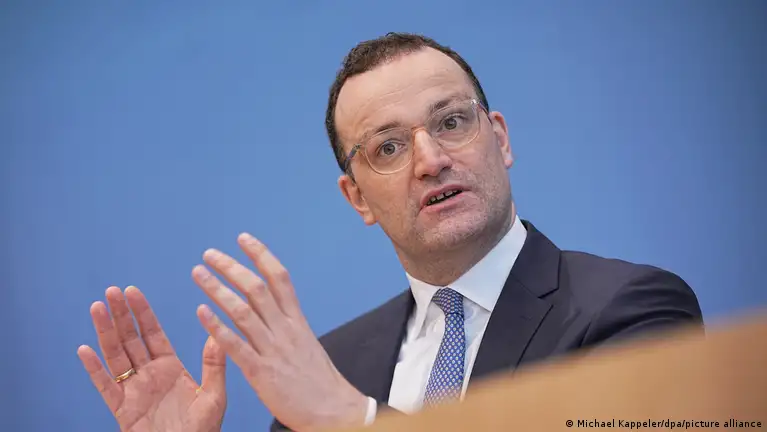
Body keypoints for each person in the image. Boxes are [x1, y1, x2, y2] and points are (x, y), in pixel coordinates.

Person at [78, 32, 704, 432]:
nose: (430, 160)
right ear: (358, 198)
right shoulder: (331, 366)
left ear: (500, 139)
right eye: (388, 147)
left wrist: (357, 421)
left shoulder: (630, 311)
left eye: (451, 122)